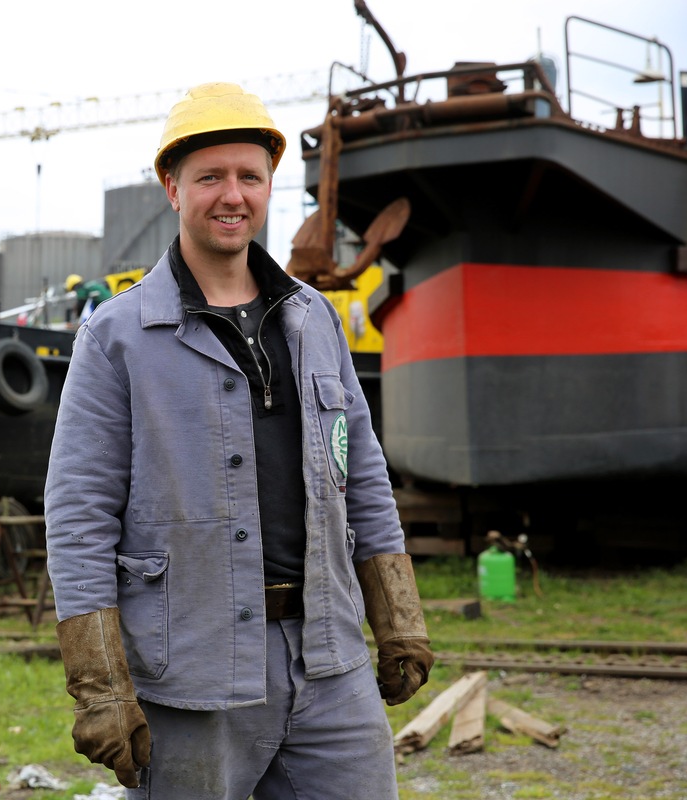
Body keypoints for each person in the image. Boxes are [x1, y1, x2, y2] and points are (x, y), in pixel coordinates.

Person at [43, 82, 433, 799]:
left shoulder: (314, 319)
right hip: (194, 676)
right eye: (210, 177)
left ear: (269, 185)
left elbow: (364, 474)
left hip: (329, 662)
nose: (233, 195)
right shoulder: (117, 336)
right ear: (173, 187)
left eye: (249, 177)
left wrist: (399, 618)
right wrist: (100, 688)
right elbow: (78, 517)